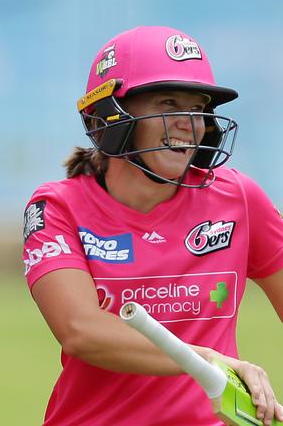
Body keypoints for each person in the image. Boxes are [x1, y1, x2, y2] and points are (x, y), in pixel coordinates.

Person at [22, 25, 283, 425]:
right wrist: (207, 360)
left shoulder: (240, 199)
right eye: (167, 103)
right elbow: (81, 331)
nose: (188, 123)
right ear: (110, 117)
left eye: (197, 109)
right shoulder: (56, 207)